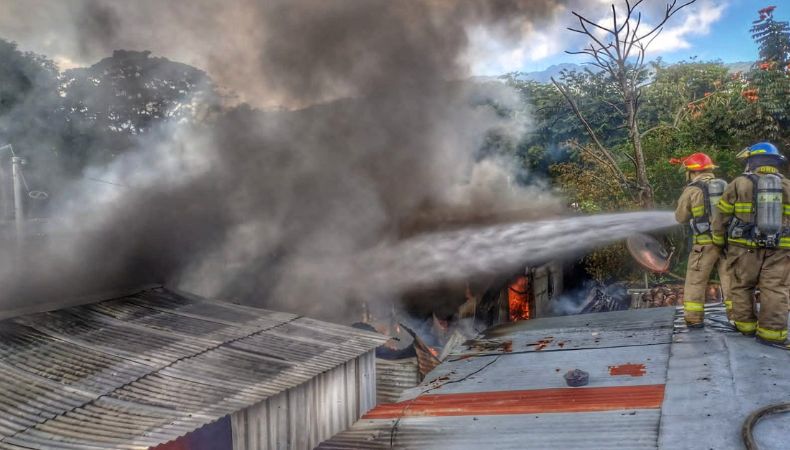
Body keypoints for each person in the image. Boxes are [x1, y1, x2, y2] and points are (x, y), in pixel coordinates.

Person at [712, 142, 790, 347]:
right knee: (775, 289)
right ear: (775, 163)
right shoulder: (787, 185)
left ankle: (746, 327)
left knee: (741, 285)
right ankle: (772, 334)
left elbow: (721, 216)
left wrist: (719, 240)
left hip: (744, 248)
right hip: (780, 250)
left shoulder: (738, 184)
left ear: (752, 162)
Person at [671, 152, 730, 327]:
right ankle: (739, 318)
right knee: (731, 280)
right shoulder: (725, 186)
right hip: (728, 243)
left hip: (704, 244)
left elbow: (680, 217)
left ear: (692, 172)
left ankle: (694, 319)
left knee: (695, 281)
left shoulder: (692, 190)